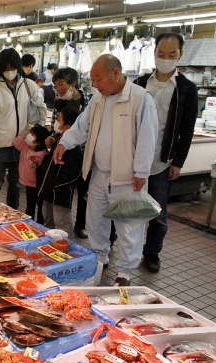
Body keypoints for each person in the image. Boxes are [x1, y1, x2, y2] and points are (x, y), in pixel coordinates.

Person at [52, 54, 158, 287]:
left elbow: (148, 138)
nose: (96, 85)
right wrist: (64, 143)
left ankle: (125, 273)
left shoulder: (140, 98)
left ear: (116, 73)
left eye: (98, 79)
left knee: (129, 224)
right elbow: (81, 126)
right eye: (93, 80)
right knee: (95, 219)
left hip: (128, 177)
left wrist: (141, 171)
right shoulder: (98, 100)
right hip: (100, 172)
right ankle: (100, 257)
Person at [134, 33, 198, 273]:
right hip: (134, 158)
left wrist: (178, 162)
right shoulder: (140, 83)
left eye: (172, 54)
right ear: (155, 53)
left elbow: (187, 129)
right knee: (123, 204)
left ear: (180, 55)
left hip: (162, 159)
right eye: (161, 53)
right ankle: (110, 244)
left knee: (157, 212)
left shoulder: (186, 89)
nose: (166, 58)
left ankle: (151, 253)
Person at [0, 48, 47, 209]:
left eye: (12, 67)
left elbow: (41, 106)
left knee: (16, 183)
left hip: (22, 143)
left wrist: (40, 128)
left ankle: (12, 213)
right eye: (5, 68)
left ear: (18, 66)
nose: (9, 71)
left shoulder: (29, 85)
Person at [51, 67, 89, 239]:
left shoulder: (89, 100)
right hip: (65, 154)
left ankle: (81, 225)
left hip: (86, 153)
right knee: (65, 191)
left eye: (62, 84)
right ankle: (66, 225)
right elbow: (54, 125)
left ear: (73, 83)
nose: (58, 88)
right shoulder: (59, 102)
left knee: (84, 192)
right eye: (56, 85)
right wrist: (52, 138)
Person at [37, 108, 83, 237]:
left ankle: (67, 249)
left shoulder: (73, 149)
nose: (56, 122)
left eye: (59, 120)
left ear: (67, 127)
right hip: (48, 191)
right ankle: (48, 244)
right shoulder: (57, 141)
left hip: (59, 194)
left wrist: (56, 186)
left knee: (62, 223)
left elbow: (73, 174)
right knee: (47, 220)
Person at [13, 124, 50, 223]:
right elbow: (15, 143)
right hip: (27, 183)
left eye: (32, 134)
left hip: (38, 185)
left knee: (40, 206)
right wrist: (24, 135)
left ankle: (40, 224)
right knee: (30, 205)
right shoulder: (25, 147)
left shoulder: (42, 154)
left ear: (38, 142)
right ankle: (29, 223)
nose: (29, 135)